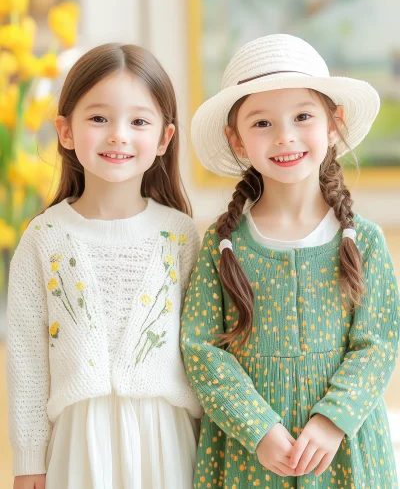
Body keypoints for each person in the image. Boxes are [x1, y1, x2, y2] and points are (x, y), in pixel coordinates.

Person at [181, 34, 399, 488]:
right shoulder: (222, 247)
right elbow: (201, 350)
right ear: (236, 139)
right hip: (249, 459)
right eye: (262, 123)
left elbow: (378, 344)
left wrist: (333, 419)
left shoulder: (366, 242)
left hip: (344, 455)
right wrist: (256, 427)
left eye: (303, 116)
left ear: (333, 124)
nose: (285, 136)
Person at [7, 43, 202, 489]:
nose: (118, 135)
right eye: (98, 118)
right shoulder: (43, 238)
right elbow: (27, 362)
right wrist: (29, 461)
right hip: (78, 446)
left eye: (138, 121)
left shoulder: (180, 236)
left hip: (168, 443)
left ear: (164, 138)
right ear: (65, 131)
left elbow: (203, 352)